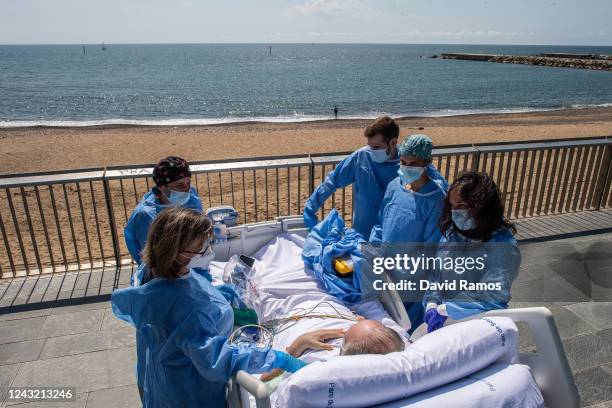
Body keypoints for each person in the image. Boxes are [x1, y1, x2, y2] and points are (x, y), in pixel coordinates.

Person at [112, 207, 313, 408]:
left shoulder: (156, 272)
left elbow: (190, 288)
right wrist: (281, 358)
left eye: (208, 244)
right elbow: (216, 360)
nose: (209, 251)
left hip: (164, 378)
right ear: (175, 252)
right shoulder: (188, 308)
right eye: (202, 248)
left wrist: (218, 293)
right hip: (190, 393)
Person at [422, 171, 521, 333]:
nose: (455, 212)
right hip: (447, 320)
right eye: (452, 206)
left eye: (462, 206)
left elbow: (493, 295)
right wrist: (432, 302)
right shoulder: (451, 235)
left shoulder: (503, 247)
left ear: (482, 207)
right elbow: (436, 275)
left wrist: (448, 309)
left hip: (479, 325)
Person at [303, 116, 400, 238]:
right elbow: (333, 180)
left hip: (394, 236)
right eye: (370, 146)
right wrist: (311, 206)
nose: (371, 150)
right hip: (363, 233)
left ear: (393, 142)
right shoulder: (361, 157)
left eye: (376, 147)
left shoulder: (407, 164)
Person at [369, 134, 447, 244]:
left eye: (414, 163)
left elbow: (431, 246)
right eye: (403, 162)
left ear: (427, 162)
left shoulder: (436, 200)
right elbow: (382, 222)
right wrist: (377, 247)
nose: (407, 167)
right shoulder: (394, 186)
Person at [124, 156, 202, 265]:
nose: (187, 189)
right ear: (161, 187)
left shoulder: (190, 195)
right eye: (179, 185)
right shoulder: (145, 215)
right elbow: (152, 259)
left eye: (188, 183)